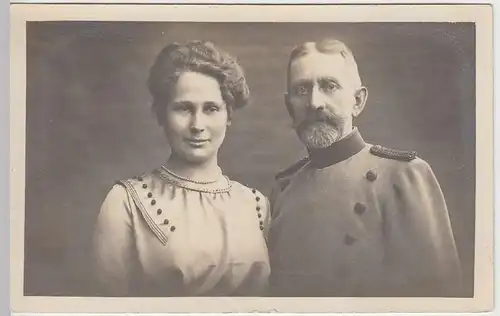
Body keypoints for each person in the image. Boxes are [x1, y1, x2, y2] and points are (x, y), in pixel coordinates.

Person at [267, 38, 463, 297]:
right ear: (288, 105)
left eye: (329, 86)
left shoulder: (403, 176)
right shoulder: (283, 189)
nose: (315, 102)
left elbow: (439, 295)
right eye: (302, 90)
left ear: (357, 101)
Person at [92, 40, 270, 297]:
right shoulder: (125, 202)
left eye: (211, 108)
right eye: (184, 108)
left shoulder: (257, 205)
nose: (197, 124)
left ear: (228, 115)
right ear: (161, 115)